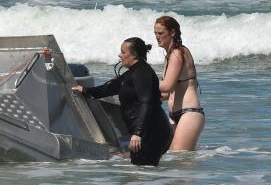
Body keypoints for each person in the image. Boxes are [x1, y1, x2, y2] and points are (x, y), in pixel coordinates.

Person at [73, 38, 172, 167]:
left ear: (134, 54)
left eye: (123, 52)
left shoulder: (142, 72)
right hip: (146, 132)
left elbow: (147, 102)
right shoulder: (132, 73)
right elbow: (108, 89)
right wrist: (85, 90)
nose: (119, 55)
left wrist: (138, 133)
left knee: (142, 176)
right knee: (141, 175)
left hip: (150, 132)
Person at [154, 16, 205, 151]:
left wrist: (143, 81)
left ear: (172, 33)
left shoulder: (178, 53)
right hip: (175, 115)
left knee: (179, 159)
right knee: (174, 161)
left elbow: (167, 85)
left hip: (189, 113)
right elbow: (166, 93)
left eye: (160, 33)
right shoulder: (169, 55)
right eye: (155, 34)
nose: (157, 37)